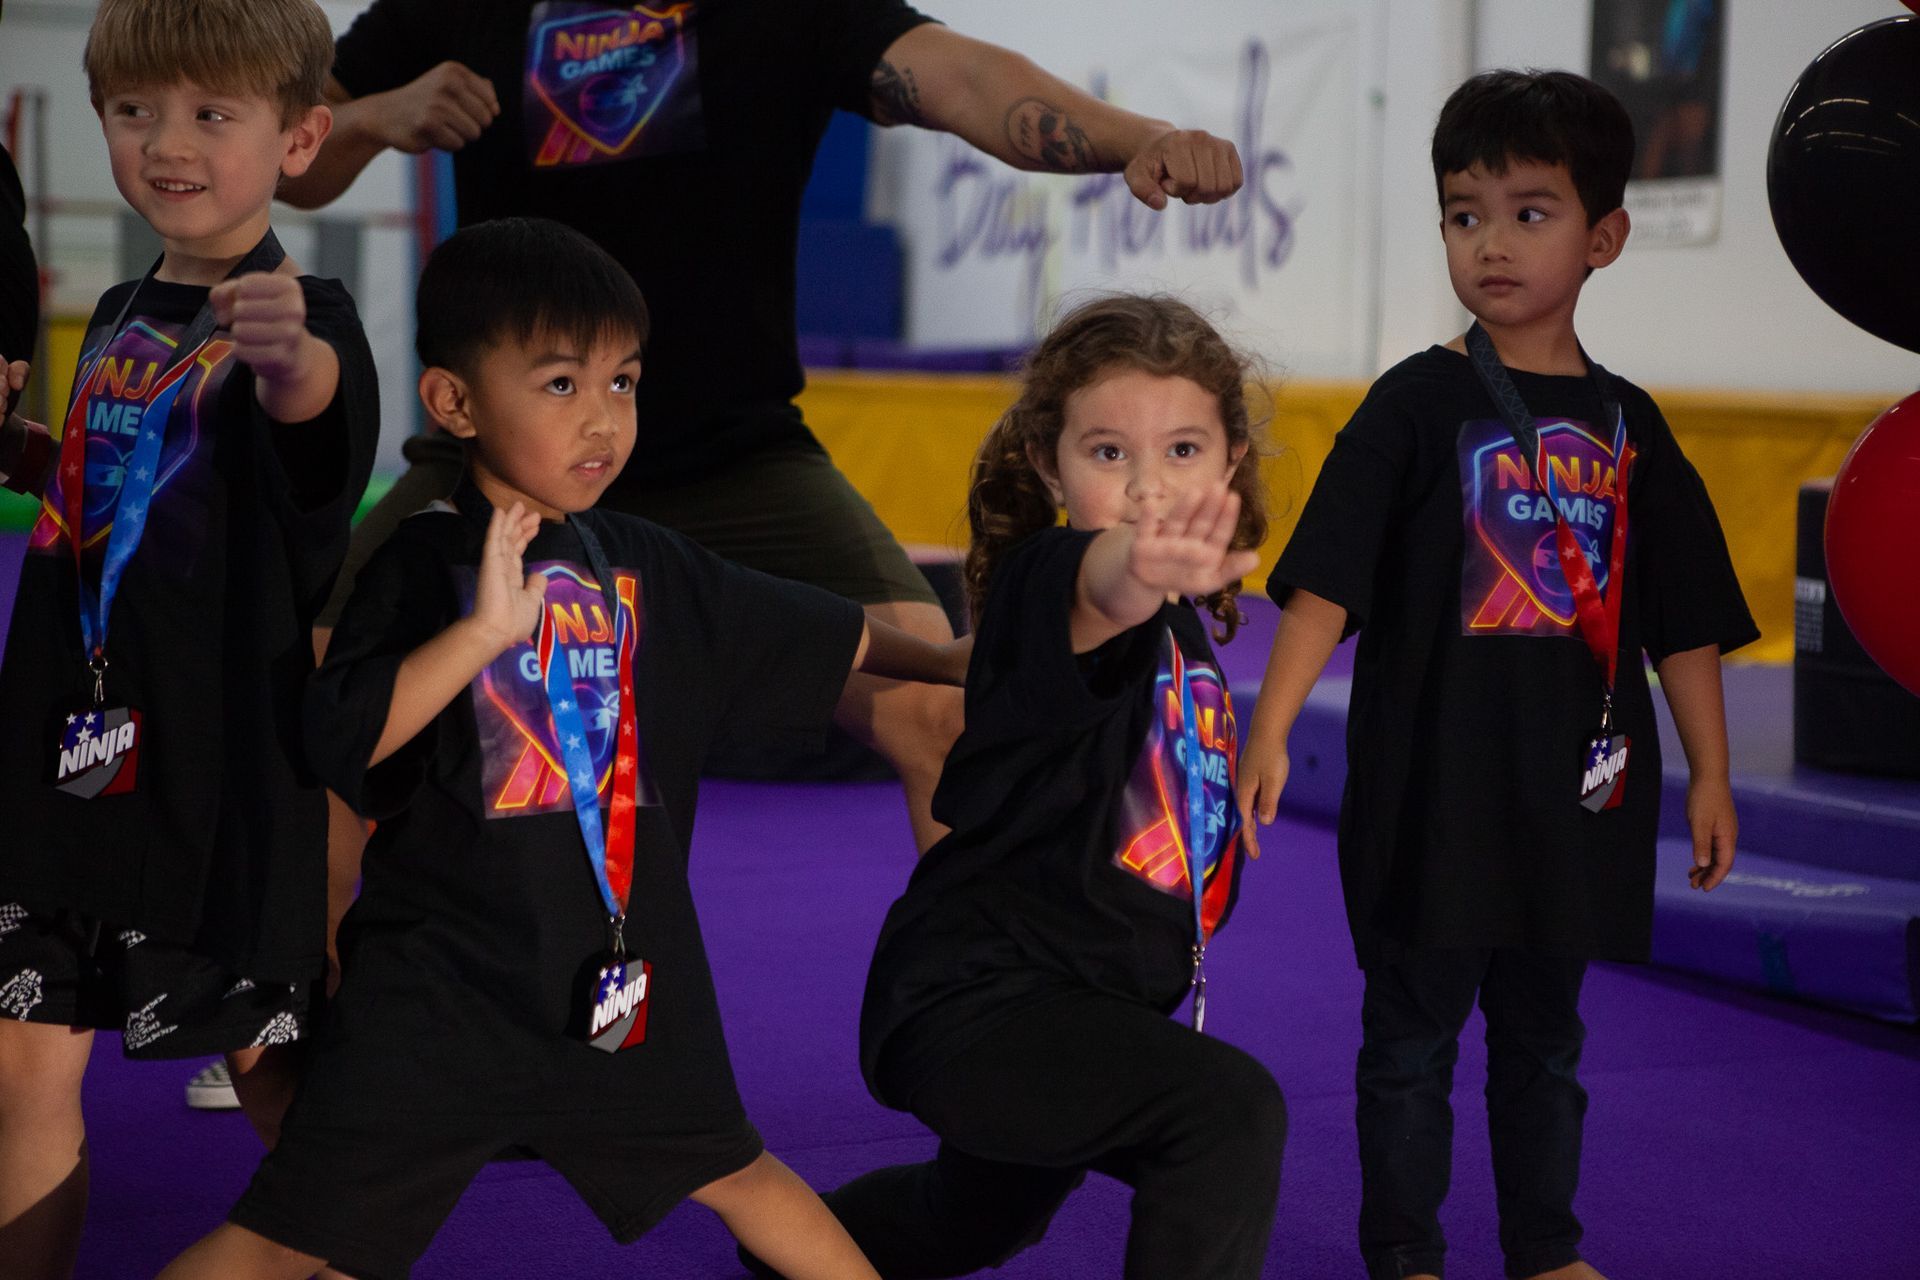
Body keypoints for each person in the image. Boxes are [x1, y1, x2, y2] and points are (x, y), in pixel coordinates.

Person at [158, 216, 969, 1280]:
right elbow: (344, 735)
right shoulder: (416, 564)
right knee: (289, 1242)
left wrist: (955, 663)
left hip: (625, 983)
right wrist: (479, 637)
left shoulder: (644, 559)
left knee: (745, 1174)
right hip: (438, 995)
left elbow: (826, 627)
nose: (604, 419)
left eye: (623, 382)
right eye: (559, 384)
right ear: (454, 402)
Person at [282, 0, 1248, 856]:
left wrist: (1138, 137)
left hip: (739, 458)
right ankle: (291, 1034)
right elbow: (291, 161)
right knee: (320, 699)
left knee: (940, 707)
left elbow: (962, 78)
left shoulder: (777, 9)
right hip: (498, 471)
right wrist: (370, 118)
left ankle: (982, 1013)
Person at [1237, 70, 1757, 1280]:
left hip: (1573, 805)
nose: (1492, 242)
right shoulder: (1415, 405)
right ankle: (1407, 1252)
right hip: (1436, 796)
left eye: (1531, 211)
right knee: (1410, 1041)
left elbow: (1680, 618)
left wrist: (1712, 773)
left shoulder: (1633, 425)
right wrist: (1269, 728)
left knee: (1547, 1041)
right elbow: (1325, 582)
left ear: (1605, 236)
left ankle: (1545, 1248)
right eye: (1465, 214)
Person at [750, 294, 1286, 1280]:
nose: (1146, 490)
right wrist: (1131, 567)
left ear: (1231, 458)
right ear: (1050, 463)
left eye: (1180, 450)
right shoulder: (1060, 578)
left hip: (1086, 1000)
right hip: (979, 1005)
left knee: (976, 1218)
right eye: (1109, 453)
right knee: (1225, 1109)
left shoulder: (1181, 625)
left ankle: (793, 1248)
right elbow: (1100, 587)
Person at [0, 0, 379, 1275]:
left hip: (218, 785)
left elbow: (312, 429)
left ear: (300, 137)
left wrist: (290, 368)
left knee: (270, 1067)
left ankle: (339, 1252)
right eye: (134, 111)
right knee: (19, 1061)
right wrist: (30, 452)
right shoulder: (114, 308)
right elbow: (129, 494)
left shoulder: (308, 316)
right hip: (65, 760)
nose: (168, 141)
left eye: (212, 113)